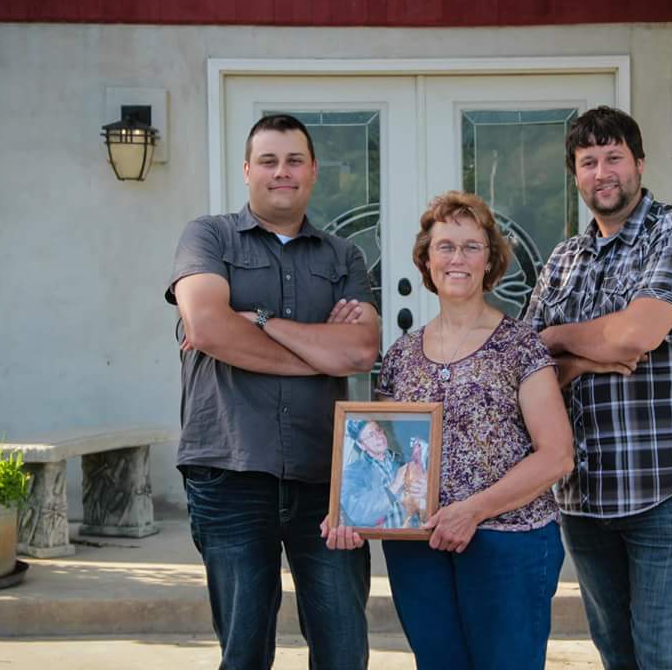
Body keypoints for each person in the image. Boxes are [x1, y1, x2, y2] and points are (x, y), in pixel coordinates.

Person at [323, 192, 575, 670]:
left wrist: (472, 512)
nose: (457, 258)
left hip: (508, 542)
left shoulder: (520, 346)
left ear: (490, 260)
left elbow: (557, 455)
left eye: (471, 246)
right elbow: (385, 459)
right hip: (420, 548)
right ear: (426, 260)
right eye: (445, 247)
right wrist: (352, 514)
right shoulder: (400, 356)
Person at [165, 114, 380, 670]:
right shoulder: (207, 237)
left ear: (313, 171)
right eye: (268, 161)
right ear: (247, 170)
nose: (281, 172)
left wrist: (258, 320)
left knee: (343, 651)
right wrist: (317, 352)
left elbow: (360, 351)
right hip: (229, 470)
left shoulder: (344, 256)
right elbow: (207, 328)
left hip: (327, 480)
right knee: (243, 653)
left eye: (293, 161)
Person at [525, 106, 672, 670]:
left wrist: (559, 337)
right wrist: (581, 357)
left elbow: (635, 336)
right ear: (575, 175)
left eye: (614, 157)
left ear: (639, 163)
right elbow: (528, 369)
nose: (602, 172)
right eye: (588, 161)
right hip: (585, 496)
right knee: (618, 657)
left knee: (665, 659)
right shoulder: (564, 260)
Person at [340, 419, 423, 528]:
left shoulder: (404, 460)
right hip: (387, 536)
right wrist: (395, 485)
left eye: (378, 430)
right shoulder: (353, 473)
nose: (379, 436)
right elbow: (359, 514)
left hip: (417, 531)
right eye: (371, 435)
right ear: (361, 445)